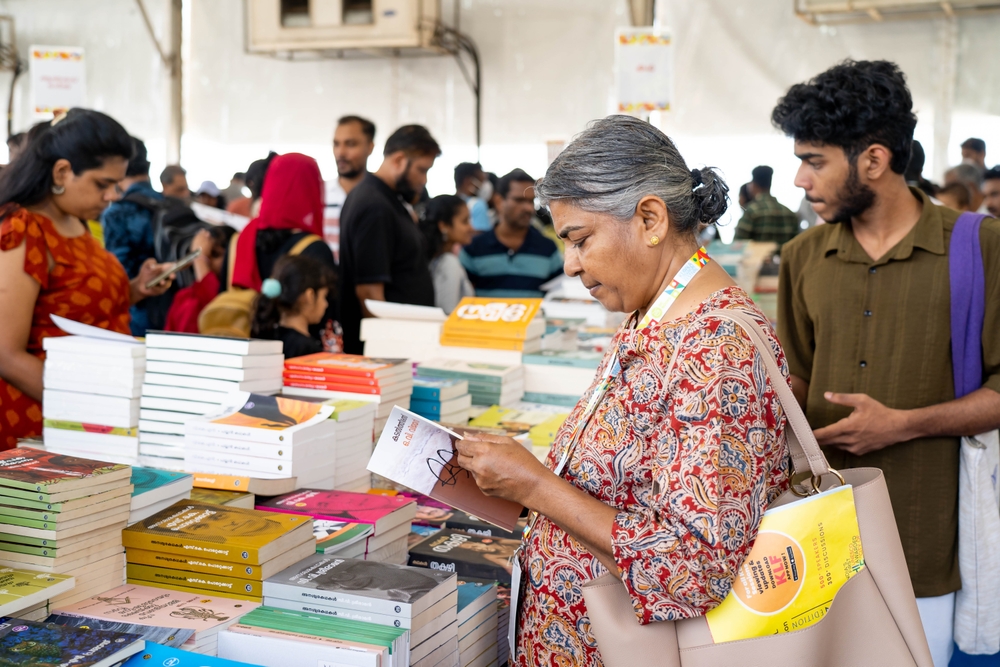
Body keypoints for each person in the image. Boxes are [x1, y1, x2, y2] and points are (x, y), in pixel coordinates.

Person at [452, 115, 791, 666]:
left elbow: (693, 567)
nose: (570, 264)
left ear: (651, 218)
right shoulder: (655, 313)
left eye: (581, 240)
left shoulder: (715, 349)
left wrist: (536, 487)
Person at [772, 60, 1000, 667]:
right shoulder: (801, 256)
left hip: (927, 542)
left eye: (815, 161)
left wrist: (903, 423)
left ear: (873, 160)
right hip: (813, 539)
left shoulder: (979, 246)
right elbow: (795, 375)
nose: (799, 178)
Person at [0, 109, 175, 447]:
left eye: (116, 184)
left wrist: (137, 289)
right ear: (63, 172)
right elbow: (6, 352)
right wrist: (89, 406)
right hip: (44, 421)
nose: (113, 195)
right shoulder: (23, 231)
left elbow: (76, 310)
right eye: (102, 184)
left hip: (92, 413)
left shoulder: (75, 222)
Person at [338, 124, 440, 354]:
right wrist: (389, 351)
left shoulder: (386, 200)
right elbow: (369, 294)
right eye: (422, 170)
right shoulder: (375, 205)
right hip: (390, 351)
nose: (423, 180)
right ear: (399, 160)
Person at [230, 152, 341, 353]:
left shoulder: (242, 237)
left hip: (244, 351)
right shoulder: (315, 248)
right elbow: (325, 313)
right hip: (299, 355)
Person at [460, 169, 563, 297]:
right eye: (519, 200)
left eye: (531, 201)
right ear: (499, 201)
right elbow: (462, 296)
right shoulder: (474, 248)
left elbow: (558, 295)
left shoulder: (548, 249)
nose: (528, 208)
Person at [101, 136, 162, 336]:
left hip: (137, 314)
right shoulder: (174, 205)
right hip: (177, 311)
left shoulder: (118, 212)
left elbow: (119, 270)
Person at [251, 254, 334, 359]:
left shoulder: (269, 337)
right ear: (310, 296)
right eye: (324, 297)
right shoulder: (306, 350)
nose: (325, 304)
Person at [164, 224, 237, 333]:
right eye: (205, 255)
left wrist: (200, 259)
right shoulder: (183, 297)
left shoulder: (234, 299)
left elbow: (214, 306)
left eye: (215, 254)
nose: (207, 260)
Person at [325, 116, 375, 260]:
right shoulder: (319, 193)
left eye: (350, 144)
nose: (341, 153)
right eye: (336, 144)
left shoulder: (384, 196)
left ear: (370, 147)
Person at [419, 195, 474, 313]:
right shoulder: (448, 263)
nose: (471, 227)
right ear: (444, 226)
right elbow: (448, 312)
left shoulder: (434, 259)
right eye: (465, 221)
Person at [733, 165, 800, 246]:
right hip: (784, 258)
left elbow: (738, 244)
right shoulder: (789, 213)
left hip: (757, 258)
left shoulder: (752, 210)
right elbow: (795, 244)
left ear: (753, 185)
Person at [454, 161, 492, 232]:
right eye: (481, 181)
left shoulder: (447, 203)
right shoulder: (478, 204)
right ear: (468, 181)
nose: (484, 186)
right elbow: (482, 236)